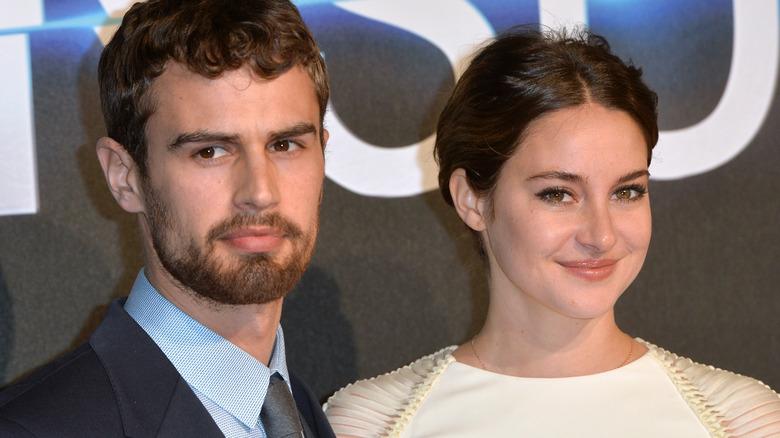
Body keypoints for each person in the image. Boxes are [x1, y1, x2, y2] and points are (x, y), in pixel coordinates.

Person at [323, 27, 780, 437]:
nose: (601, 235)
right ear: (471, 200)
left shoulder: (740, 421)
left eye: (627, 192)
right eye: (558, 194)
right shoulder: (374, 424)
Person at [0, 0, 336, 437]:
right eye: (210, 151)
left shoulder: (309, 416)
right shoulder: (31, 430)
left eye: (285, 145)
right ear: (125, 177)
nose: (260, 193)